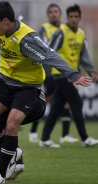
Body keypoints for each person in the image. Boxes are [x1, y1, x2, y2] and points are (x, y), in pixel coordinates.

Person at [0, 1, 92, 184]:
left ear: (5, 21)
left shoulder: (27, 39)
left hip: (28, 88)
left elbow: (50, 54)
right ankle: (11, 157)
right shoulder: (5, 29)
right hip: (5, 83)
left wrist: (72, 74)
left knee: (12, 124)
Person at [40, 4, 98, 148]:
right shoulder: (60, 32)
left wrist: (91, 69)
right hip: (61, 74)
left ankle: (45, 138)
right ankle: (85, 139)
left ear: (80, 17)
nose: (73, 19)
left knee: (56, 107)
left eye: (76, 16)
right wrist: (45, 70)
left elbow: (83, 55)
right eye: (71, 16)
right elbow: (48, 50)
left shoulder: (81, 34)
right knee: (77, 103)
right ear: (67, 18)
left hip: (72, 75)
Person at [29, 3, 78, 144]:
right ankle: (33, 130)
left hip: (62, 73)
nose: (54, 14)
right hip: (48, 72)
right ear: (48, 14)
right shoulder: (44, 29)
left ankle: (65, 134)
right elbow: (43, 48)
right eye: (51, 12)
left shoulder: (66, 29)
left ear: (60, 14)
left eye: (56, 11)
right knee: (45, 100)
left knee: (66, 102)